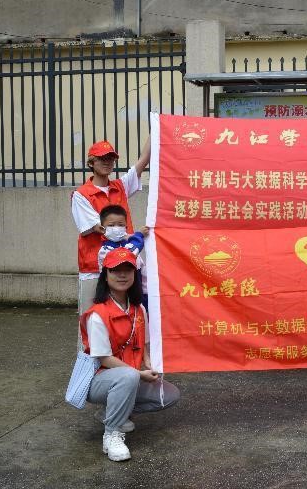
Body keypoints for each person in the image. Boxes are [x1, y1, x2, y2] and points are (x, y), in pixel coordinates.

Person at [80, 246, 180, 461]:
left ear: (135, 274)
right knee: (128, 376)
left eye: (128, 270)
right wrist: (138, 374)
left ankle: (112, 413)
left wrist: (149, 363)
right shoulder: (98, 314)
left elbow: (144, 343)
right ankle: (111, 435)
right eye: (115, 270)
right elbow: (104, 358)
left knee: (169, 395)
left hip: (129, 377)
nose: (122, 275)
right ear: (105, 275)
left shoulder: (138, 309)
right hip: (98, 381)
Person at [71, 139, 150, 317]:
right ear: (91, 163)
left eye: (111, 158)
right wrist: (135, 236)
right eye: (102, 158)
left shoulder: (120, 187)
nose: (107, 162)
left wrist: (156, 129)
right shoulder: (81, 195)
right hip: (94, 267)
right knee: (92, 317)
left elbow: (143, 161)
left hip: (124, 266)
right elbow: (100, 229)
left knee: (127, 314)